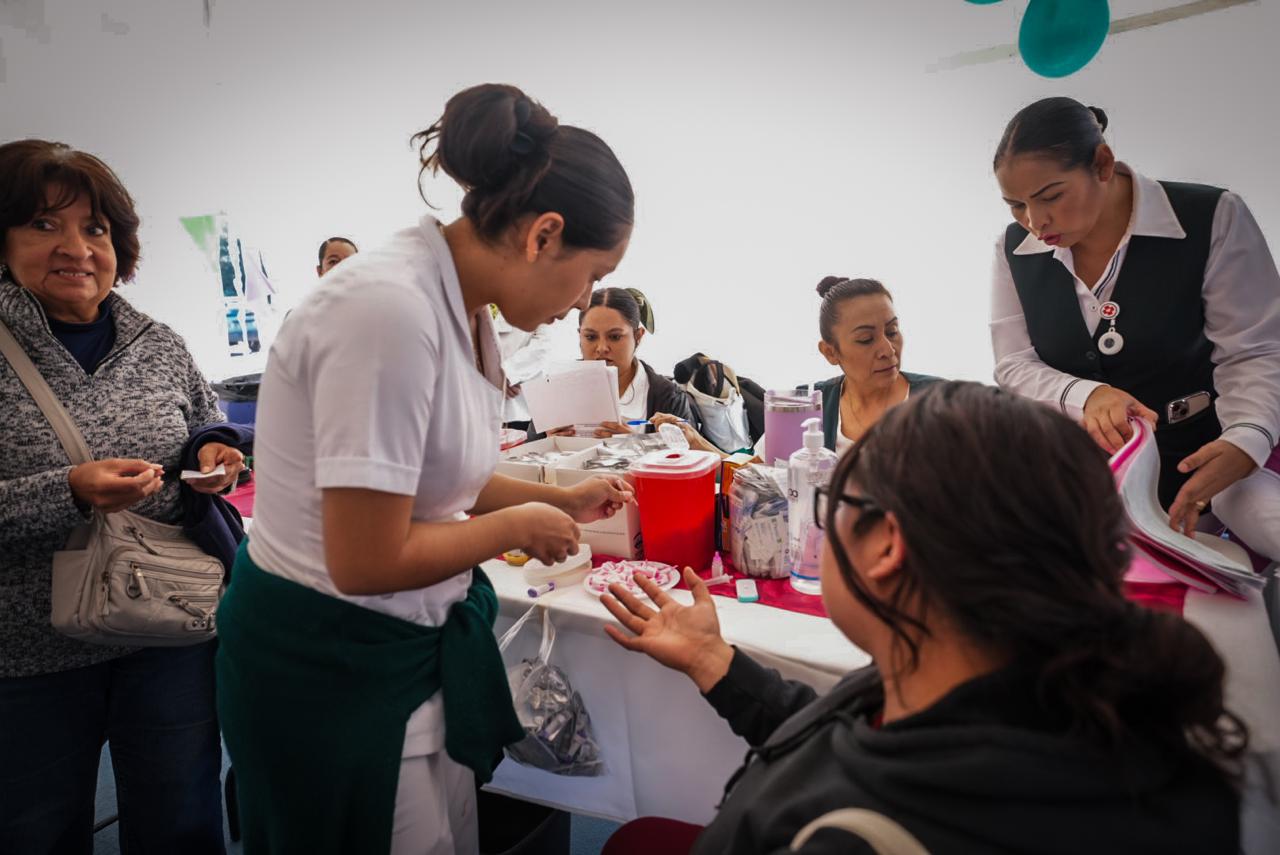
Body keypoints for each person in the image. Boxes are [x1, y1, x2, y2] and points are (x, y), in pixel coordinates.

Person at [215, 83, 636, 855]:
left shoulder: (465, 304)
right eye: (592, 274)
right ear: (543, 234)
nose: (584, 303)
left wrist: (561, 496)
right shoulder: (387, 312)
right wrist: (514, 525)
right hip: (330, 660)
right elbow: (366, 558)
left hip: (405, 643)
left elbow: (439, 473)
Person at [601, 382, 1245, 854]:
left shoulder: (849, 836)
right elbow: (836, 732)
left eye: (830, 506)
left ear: (887, 545)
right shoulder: (1040, 691)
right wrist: (714, 662)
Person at [0, 140, 242, 854]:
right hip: (26, 653)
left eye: (95, 228)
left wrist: (213, 455)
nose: (76, 248)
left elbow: (204, 423)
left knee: (181, 818)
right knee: (34, 831)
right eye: (43, 224)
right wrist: (68, 491)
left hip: (168, 625)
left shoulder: (158, 341)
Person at [989, 97, 1280, 560]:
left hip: (1206, 459)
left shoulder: (1210, 217)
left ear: (1103, 164)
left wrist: (1246, 438)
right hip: (1085, 483)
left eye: (1050, 196)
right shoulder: (1014, 249)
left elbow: (1254, 350)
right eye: (1015, 205)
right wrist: (1086, 395)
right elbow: (1013, 364)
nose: (1034, 221)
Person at [657, 276, 940, 457]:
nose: (888, 350)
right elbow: (753, 476)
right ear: (830, 352)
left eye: (892, 332)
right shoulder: (806, 406)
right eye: (866, 339)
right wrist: (696, 443)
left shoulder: (941, 402)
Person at [549, 286, 699, 437]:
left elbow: (690, 449)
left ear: (638, 337)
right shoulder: (555, 390)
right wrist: (547, 442)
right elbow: (534, 447)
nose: (602, 348)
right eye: (590, 337)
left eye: (614, 337)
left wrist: (635, 445)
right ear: (580, 336)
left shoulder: (668, 397)